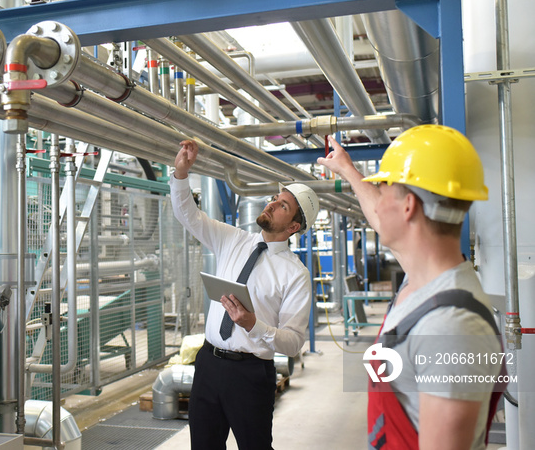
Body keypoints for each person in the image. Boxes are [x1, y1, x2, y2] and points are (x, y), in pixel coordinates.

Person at [318, 125, 504, 450]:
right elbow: (381, 215)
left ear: (408, 206)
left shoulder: (452, 328)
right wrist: (347, 169)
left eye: (386, 187)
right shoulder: (422, 279)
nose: (378, 205)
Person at [171, 139, 319, 450]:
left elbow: (293, 343)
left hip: (250, 375)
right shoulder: (233, 239)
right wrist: (181, 174)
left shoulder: (296, 274)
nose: (271, 204)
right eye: (275, 198)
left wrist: (254, 325)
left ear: (294, 226)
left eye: (283, 205)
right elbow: (189, 215)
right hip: (208, 364)